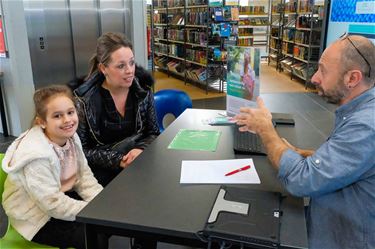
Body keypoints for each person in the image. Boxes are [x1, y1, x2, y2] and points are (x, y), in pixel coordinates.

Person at [234, 35, 375, 248]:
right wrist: (306, 154)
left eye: (323, 70)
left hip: (342, 237)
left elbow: (302, 180)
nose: (314, 78)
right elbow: (354, 163)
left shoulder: (365, 126)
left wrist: (266, 129)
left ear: (352, 79)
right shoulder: (362, 110)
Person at [1, 85, 103, 249]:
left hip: (57, 196)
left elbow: (83, 176)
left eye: (70, 112)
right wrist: (91, 212)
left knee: (103, 226)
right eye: (57, 116)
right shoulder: (36, 156)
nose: (67, 120)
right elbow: (52, 204)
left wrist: (100, 203)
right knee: (92, 237)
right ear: (41, 121)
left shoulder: (70, 136)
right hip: (35, 217)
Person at [74, 32, 160, 187]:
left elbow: (153, 132)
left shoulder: (143, 91)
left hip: (139, 165)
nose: (129, 71)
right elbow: (81, 150)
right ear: (103, 68)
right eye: (121, 66)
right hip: (101, 175)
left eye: (132, 63)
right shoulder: (83, 101)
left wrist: (141, 149)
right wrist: (118, 160)